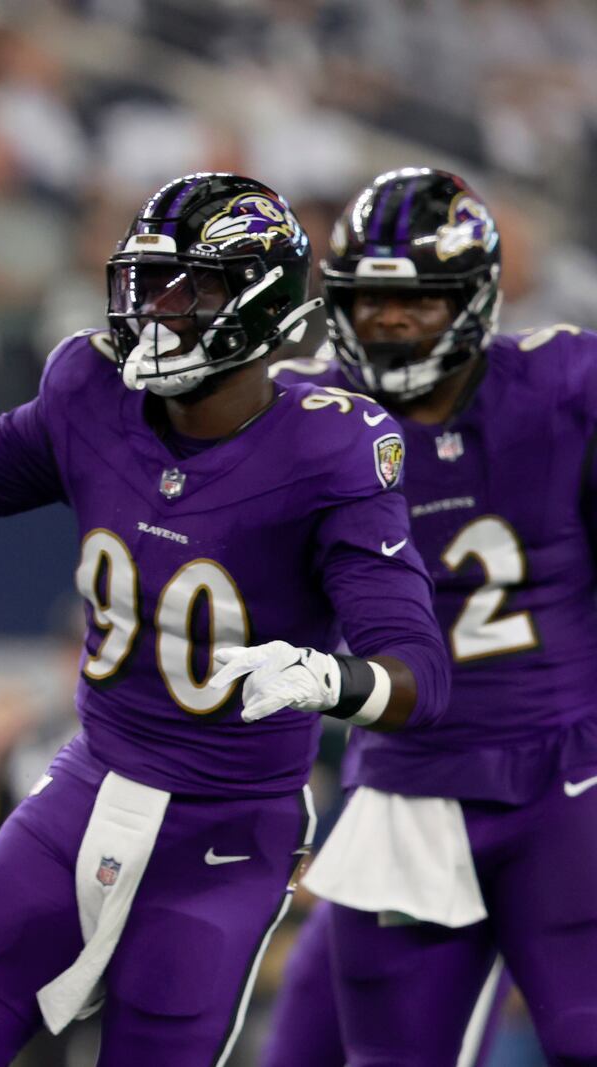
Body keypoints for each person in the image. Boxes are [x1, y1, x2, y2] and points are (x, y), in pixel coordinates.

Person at [0, 172, 451, 1067]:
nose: (155, 309)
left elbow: (419, 674)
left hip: (227, 828)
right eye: (148, 282)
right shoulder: (93, 389)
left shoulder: (332, 445)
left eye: (187, 288)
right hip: (89, 784)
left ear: (257, 306)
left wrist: (332, 679)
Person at [267, 167, 597, 1067]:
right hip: (406, 785)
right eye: (370, 301)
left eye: (416, 299)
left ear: (475, 299)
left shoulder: (566, 386)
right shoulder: (301, 417)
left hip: (564, 773)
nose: (388, 321)